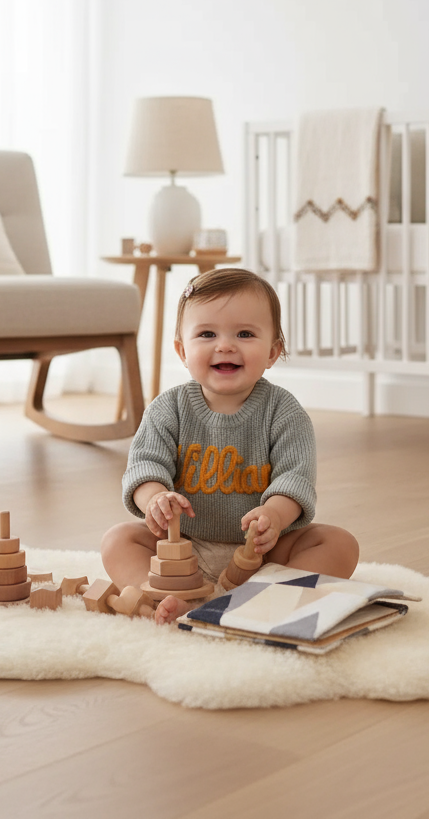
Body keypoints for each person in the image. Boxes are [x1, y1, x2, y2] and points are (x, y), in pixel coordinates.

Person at [100, 267, 360, 624]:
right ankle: (165, 596)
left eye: (244, 333)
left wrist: (274, 515)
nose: (225, 345)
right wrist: (155, 499)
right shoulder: (167, 409)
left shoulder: (284, 412)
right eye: (206, 333)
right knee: (118, 540)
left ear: (272, 352)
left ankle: (258, 600)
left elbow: (294, 480)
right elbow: (145, 467)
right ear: (181, 350)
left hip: (265, 552)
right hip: (183, 549)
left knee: (339, 544)